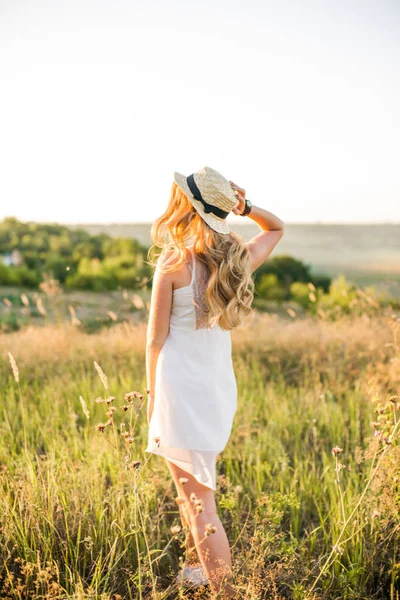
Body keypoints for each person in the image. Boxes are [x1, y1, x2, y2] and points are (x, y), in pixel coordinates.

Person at [145, 166, 285, 598]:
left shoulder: (173, 263)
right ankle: (194, 570)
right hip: (215, 390)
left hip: (179, 391)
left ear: (187, 207)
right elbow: (276, 228)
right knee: (197, 491)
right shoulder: (237, 258)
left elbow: (154, 340)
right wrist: (246, 208)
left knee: (197, 502)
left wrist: (152, 401)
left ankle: (225, 593)